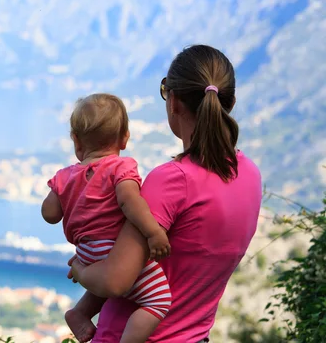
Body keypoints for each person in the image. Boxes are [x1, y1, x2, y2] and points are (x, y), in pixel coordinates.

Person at [66, 44, 263, 342]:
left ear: (173, 102)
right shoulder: (250, 175)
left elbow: (115, 281)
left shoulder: (172, 180)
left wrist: (80, 270)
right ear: (230, 103)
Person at [41, 93, 172, 343]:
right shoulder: (120, 167)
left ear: (76, 141)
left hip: (85, 252)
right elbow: (129, 201)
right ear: (124, 138)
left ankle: (79, 313)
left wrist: (60, 190)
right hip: (111, 249)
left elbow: (49, 215)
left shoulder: (65, 176)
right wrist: (154, 233)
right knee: (159, 300)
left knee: (107, 283)